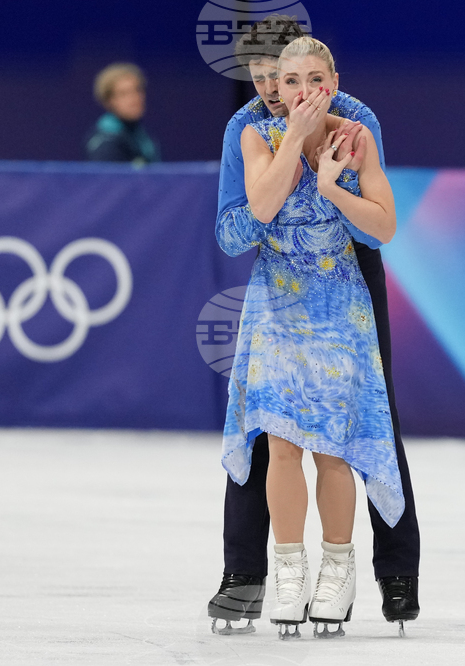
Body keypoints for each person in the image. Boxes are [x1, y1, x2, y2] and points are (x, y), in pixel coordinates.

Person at [211, 27, 420, 639]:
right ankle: (253, 574)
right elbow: (239, 228)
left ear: (317, 78)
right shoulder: (249, 126)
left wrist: (329, 182)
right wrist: (294, 143)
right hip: (277, 287)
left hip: (348, 276)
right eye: (260, 78)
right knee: (271, 435)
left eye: (279, 76)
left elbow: (380, 225)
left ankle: (392, 572)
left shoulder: (354, 119)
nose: (270, 89)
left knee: (366, 422)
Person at [84, 63, 160, 165]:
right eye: (124, 93)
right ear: (109, 101)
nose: (134, 99)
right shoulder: (105, 142)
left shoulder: (141, 135)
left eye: (137, 90)